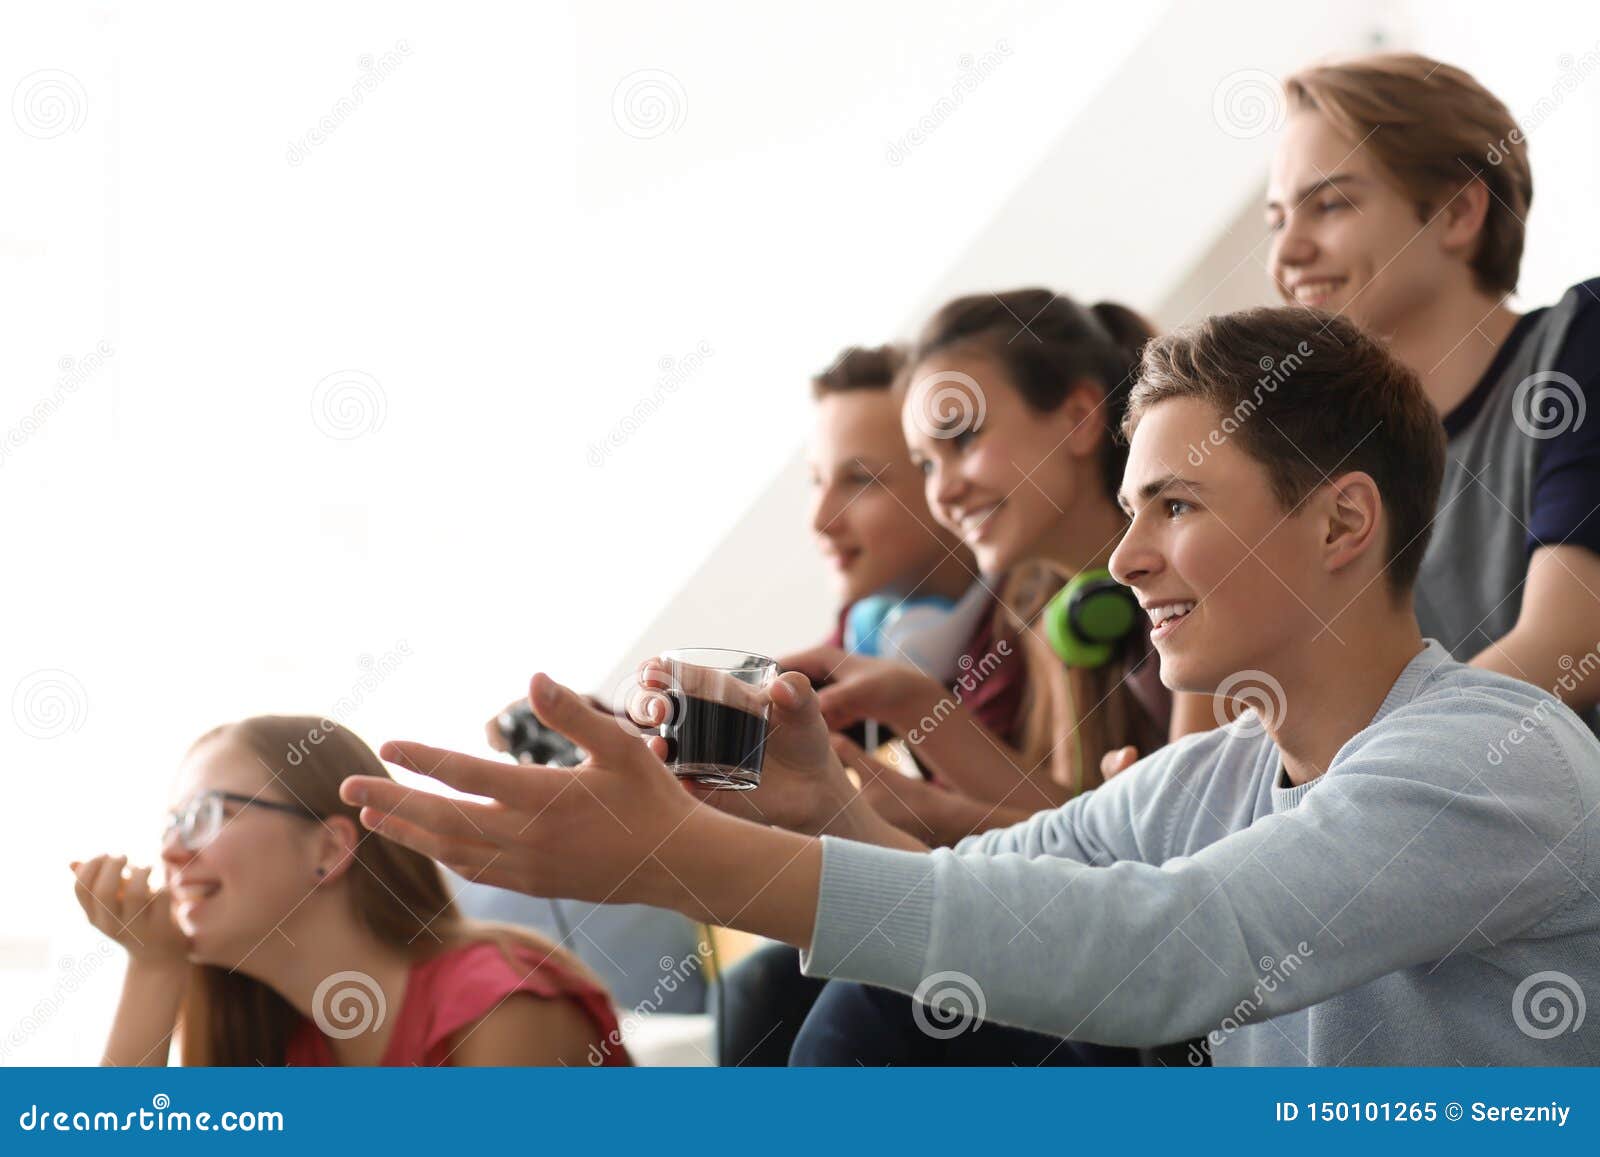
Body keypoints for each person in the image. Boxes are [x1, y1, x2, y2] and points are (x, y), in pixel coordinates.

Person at [342, 306, 1600, 1065]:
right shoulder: (1211, 777)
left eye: (1175, 505)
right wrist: (825, 808)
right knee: (878, 1003)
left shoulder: (1490, 756)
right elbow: (986, 897)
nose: (1125, 558)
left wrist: (682, 862)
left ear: (1341, 523)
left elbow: (1176, 948)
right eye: (1130, 510)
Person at [786, 290, 1216, 849]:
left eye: (963, 439)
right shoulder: (1041, 603)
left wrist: (938, 815)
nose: (943, 491)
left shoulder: (1201, 572)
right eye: (925, 465)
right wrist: (910, 702)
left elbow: (1179, 850)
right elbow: (1081, 822)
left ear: (1078, 417)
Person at [1268, 52, 1600, 731]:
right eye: (1276, 221)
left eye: (1329, 204)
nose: (1285, 254)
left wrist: (1351, 766)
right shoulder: (1323, 466)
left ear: (1458, 211)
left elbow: (1570, 642)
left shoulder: (1581, 342)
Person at [73, 715, 627, 1066]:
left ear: (329, 849)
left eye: (205, 815)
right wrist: (154, 967)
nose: (171, 853)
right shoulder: (283, 1045)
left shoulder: (501, 1006)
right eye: (172, 825)